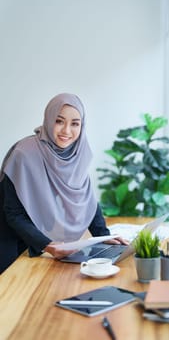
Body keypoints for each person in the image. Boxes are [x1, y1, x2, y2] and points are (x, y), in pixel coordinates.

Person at [0, 93, 128, 273]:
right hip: (11, 243)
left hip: (45, 243)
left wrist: (103, 236)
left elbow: (85, 199)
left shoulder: (78, 153)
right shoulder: (24, 153)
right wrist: (48, 245)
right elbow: (13, 214)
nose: (66, 131)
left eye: (75, 123)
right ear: (49, 119)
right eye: (59, 121)